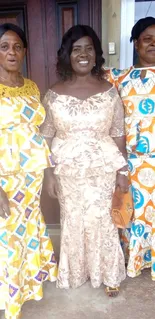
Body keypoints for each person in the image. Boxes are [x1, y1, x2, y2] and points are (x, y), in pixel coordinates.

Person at [40, 25, 128, 296]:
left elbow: (119, 135)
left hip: (102, 168)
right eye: (76, 49)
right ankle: (76, 273)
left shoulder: (110, 92)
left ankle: (110, 274)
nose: (83, 54)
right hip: (67, 172)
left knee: (103, 220)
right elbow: (44, 136)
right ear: (67, 54)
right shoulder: (53, 94)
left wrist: (122, 171)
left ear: (96, 54)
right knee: (74, 220)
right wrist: (49, 174)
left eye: (89, 48)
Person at [0, 23, 57, 319]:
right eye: (4, 46)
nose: (12, 52)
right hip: (5, 175)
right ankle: (11, 296)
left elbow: (38, 131)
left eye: (17, 46)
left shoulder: (31, 86)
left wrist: (48, 174)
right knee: (8, 235)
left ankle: (31, 285)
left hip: (32, 172)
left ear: (24, 51)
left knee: (29, 227)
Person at [107, 16, 155, 280]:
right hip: (132, 161)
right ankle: (136, 261)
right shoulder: (119, 78)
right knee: (133, 215)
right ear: (136, 44)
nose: (153, 44)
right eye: (147, 39)